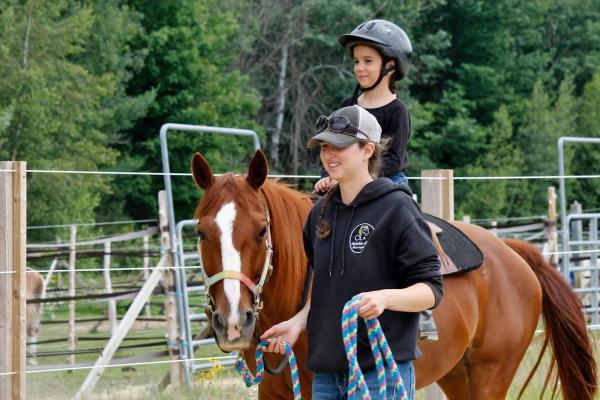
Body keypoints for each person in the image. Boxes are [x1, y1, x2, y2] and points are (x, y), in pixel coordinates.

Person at [261, 105, 443, 400]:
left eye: (339, 146)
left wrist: (384, 298)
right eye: (323, 146)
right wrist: (298, 322)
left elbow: (431, 290)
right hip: (326, 374)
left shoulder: (397, 208)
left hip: (379, 370)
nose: (328, 155)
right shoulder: (319, 213)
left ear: (367, 150)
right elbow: (323, 286)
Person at [314, 19, 413, 194]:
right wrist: (326, 176)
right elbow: (331, 145)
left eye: (367, 61)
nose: (359, 67)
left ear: (390, 66)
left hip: (387, 181)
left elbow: (393, 160)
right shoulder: (348, 105)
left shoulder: (397, 111)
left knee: (397, 214)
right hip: (347, 178)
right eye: (356, 61)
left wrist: (357, 178)